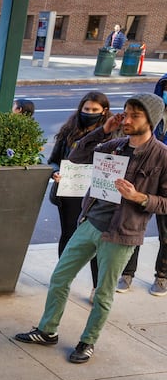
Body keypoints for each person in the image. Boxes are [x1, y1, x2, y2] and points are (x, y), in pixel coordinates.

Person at [16, 93, 167, 364]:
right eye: (126, 113)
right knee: (60, 277)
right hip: (91, 222)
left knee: (103, 293)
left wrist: (140, 198)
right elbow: (76, 157)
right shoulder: (116, 145)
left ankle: (88, 341)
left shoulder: (162, 157)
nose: (128, 119)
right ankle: (47, 330)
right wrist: (103, 130)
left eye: (136, 115)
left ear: (151, 120)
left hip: (121, 233)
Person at [48, 92, 113, 304]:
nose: (90, 113)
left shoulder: (114, 136)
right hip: (69, 192)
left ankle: (97, 286)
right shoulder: (69, 130)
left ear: (104, 111)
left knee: (96, 241)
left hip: (96, 197)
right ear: (80, 109)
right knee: (68, 235)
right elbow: (53, 160)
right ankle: (62, 280)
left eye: (95, 110)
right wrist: (55, 172)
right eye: (87, 109)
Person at [116, 74, 167, 296]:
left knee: (166, 232)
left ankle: (162, 275)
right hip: (146, 167)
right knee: (134, 223)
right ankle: (127, 272)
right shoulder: (160, 90)